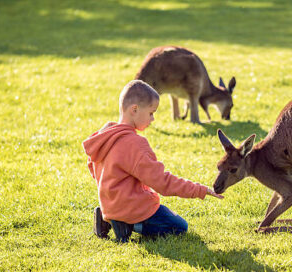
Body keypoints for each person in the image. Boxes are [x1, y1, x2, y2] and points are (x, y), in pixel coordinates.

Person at [83, 80, 223, 242]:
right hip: (134, 209)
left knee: (160, 215)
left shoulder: (104, 135)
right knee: (179, 226)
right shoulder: (135, 144)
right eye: (151, 113)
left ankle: (107, 218)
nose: (153, 119)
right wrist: (199, 189)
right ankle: (128, 225)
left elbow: (92, 167)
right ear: (134, 110)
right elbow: (162, 182)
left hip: (109, 204)